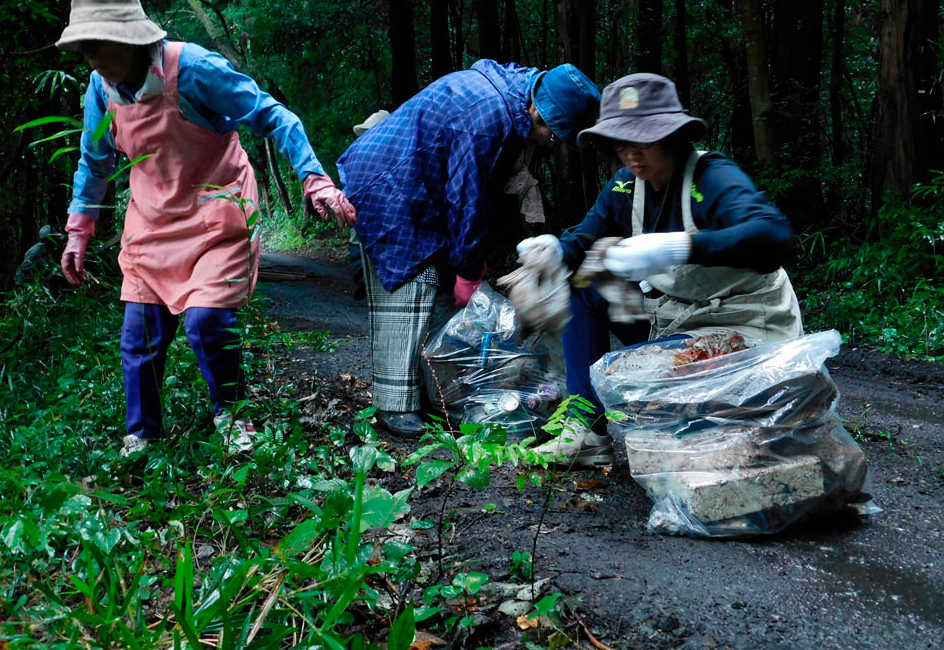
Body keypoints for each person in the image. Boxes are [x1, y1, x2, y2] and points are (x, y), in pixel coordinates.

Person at [55, 0, 356, 456]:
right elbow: (94, 162)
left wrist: (314, 178)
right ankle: (142, 435)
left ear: (127, 38)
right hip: (152, 222)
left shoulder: (192, 68)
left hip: (218, 212)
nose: (90, 61)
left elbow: (274, 115)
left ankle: (231, 414)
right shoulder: (101, 88)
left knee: (207, 323)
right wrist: (79, 230)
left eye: (95, 47)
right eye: (83, 50)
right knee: (141, 337)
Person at [518, 73, 803, 467]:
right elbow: (582, 242)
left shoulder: (711, 176)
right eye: (622, 143)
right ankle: (585, 431)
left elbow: (773, 236)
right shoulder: (624, 187)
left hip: (743, 325)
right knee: (580, 285)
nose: (633, 154)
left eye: (644, 140)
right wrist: (551, 252)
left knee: (683, 416)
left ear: (671, 135)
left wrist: (679, 246)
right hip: (674, 323)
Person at [337, 60, 601, 437]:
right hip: (389, 187)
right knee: (415, 281)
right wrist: (467, 270)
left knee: (435, 290)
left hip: (414, 188)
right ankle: (394, 406)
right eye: (552, 134)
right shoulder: (488, 118)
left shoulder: (509, 98)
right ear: (537, 112)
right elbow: (467, 197)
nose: (549, 142)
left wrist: (467, 265)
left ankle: (428, 395)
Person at [347, 110, 390, 300]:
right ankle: (364, 282)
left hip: (384, 218)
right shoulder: (359, 153)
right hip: (361, 214)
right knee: (356, 244)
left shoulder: (393, 153)